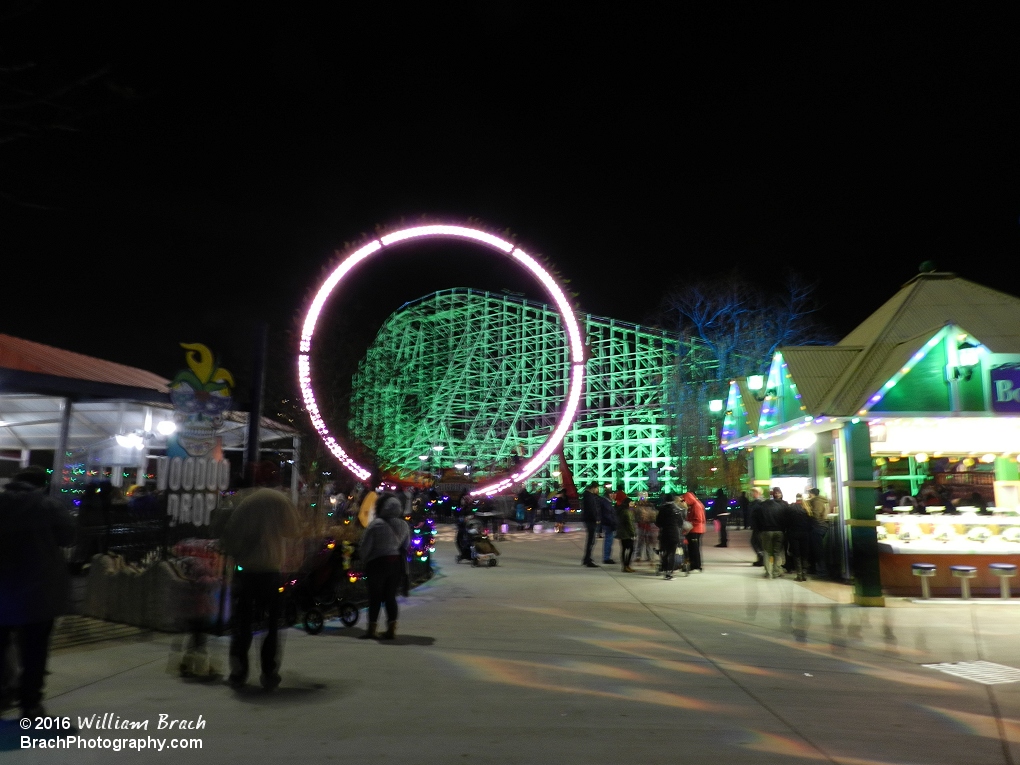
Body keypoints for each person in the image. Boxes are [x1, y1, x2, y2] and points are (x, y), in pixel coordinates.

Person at [0, 466, 74, 718]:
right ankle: (30, 702)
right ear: (42, 484)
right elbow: (68, 537)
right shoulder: (49, 506)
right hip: (39, 589)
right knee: (34, 648)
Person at [221, 487, 299, 691]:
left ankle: (239, 671)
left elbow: (230, 539)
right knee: (272, 624)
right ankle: (269, 671)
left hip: (246, 571)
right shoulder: (281, 500)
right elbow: (293, 530)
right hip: (271, 570)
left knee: (243, 622)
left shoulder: (244, 503)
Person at [357, 493, 411, 640]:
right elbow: (406, 546)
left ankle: (372, 629)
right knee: (390, 597)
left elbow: (365, 547)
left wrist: (363, 560)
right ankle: (391, 628)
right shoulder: (403, 525)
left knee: (374, 597)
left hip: (376, 564)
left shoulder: (375, 524)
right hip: (395, 564)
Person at [754, 487, 787, 579]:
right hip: (779, 531)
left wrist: (760, 530)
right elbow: (784, 519)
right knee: (777, 552)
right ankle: (776, 571)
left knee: (767, 552)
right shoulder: (781, 506)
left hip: (766, 531)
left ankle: (768, 573)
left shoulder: (762, 506)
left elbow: (757, 519)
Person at [784, 495, 813, 581]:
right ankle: (804, 574)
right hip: (805, 534)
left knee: (796, 554)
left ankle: (799, 574)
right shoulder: (807, 510)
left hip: (793, 534)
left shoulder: (791, 509)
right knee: (804, 554)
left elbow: (787, 522)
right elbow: (810, 524)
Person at [655, 494, 683, 580]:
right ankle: (669, 572)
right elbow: (680, 523)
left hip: (664, 533)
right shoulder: (677, 510)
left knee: (665, 552)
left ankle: (664, 568)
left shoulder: (662, 510)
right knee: (672, 553)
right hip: (674, 533)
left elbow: (658, 523)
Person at [805, 488, 830, 576]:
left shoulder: (816, 501)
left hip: (818, 526)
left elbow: (816, 515)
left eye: (809, 494)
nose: (808, 495)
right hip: (823, 526)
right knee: (817, 549)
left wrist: (809, 514)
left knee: (817, 549)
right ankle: (818, 569)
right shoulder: (823, 501)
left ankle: (822, 570)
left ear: (812, 494)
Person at [680, 491, 706, 572]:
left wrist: (689, 524)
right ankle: (694, 564)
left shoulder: (696, 506)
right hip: (695, 529)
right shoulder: (695, 505)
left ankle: (696, 565)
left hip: (695, 530)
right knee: (692, 548)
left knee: (694, 548)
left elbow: (699, 519)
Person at [580, 482, 601, 567]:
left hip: (589, 519)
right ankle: (587, 559)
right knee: (591, 540)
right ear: (594, 488)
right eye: (597, 488)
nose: (597, 490)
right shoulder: (589, 497)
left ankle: (586, 558)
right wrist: (596, 519)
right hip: (590, 520)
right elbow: (591, 509)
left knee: (591, 540)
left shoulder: (588, 495)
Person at [633, 493, 657, 563]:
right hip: (641, 525)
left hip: (648, 526)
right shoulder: (637, 506)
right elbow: (635, 516)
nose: (642, 499)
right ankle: (638, 556)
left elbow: (653, 516)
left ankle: (649, 556)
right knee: (640, 542)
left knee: (648, 542)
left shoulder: (649, 505)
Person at [615, 496, 636, 572]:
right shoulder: (627, 512)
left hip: (622, 533)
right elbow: (629, 524)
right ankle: (626, 565)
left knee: (624, 549)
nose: (633, 504)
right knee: (631, 549)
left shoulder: (621, 511)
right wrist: (633, 534)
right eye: (631, 503)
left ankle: (625, 566)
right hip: (626, 534)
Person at [748, 488, 766, 566]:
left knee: (756, 542)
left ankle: (761, 558)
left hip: (759, 526)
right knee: (757, 542)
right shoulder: (760, 502)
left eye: (753, 492)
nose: (752, 494)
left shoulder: (759, 503)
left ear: (757, 493)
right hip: (758, 526)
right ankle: (761, 558)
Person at [600, 486, 617, 564]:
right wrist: (613, 523)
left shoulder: (606, 502)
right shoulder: (606, 502)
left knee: (609, 540)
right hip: (608, 524)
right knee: (608, 540)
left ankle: (607, 556)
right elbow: (608, 514)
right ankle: (606, 558)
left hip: (607, 523)